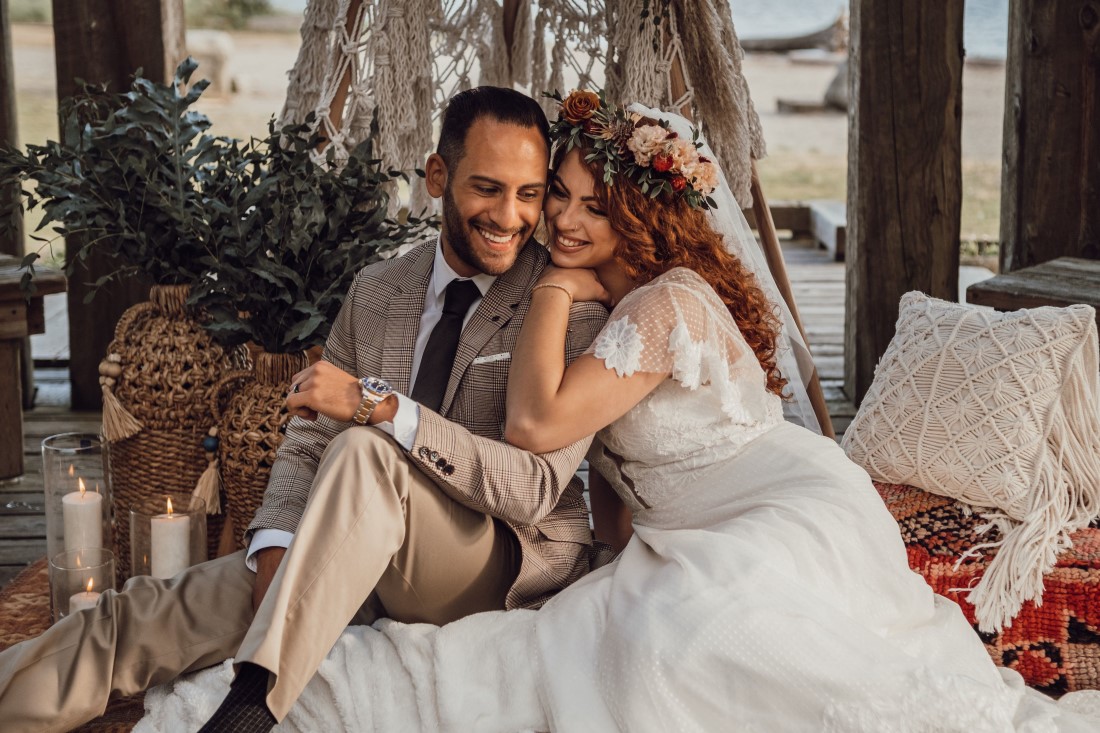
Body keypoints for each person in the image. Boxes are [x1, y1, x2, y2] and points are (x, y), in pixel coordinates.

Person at [138, 92, 1100, 732]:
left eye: (589, 205)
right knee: (607, 645)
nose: (559, 219)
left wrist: (553, 288)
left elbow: (532, 427)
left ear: (638, 215)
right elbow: (601, 472)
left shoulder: (664, 302)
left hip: (768, 506)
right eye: (558, 195)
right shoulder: (612, 299)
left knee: (683, 652)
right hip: (681, 523)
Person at [0, 86, 610, 733]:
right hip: (349, 540)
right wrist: (274, 546)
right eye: (488, 188)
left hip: (490, 560)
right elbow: (309, 437)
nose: (511, 215)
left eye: (530, 193)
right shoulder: (378, 289)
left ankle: (252, 704)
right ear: (437, 176)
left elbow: (535, 488)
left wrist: (385, 409)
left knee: (368, 444)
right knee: (140, 613)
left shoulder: (566, 303)